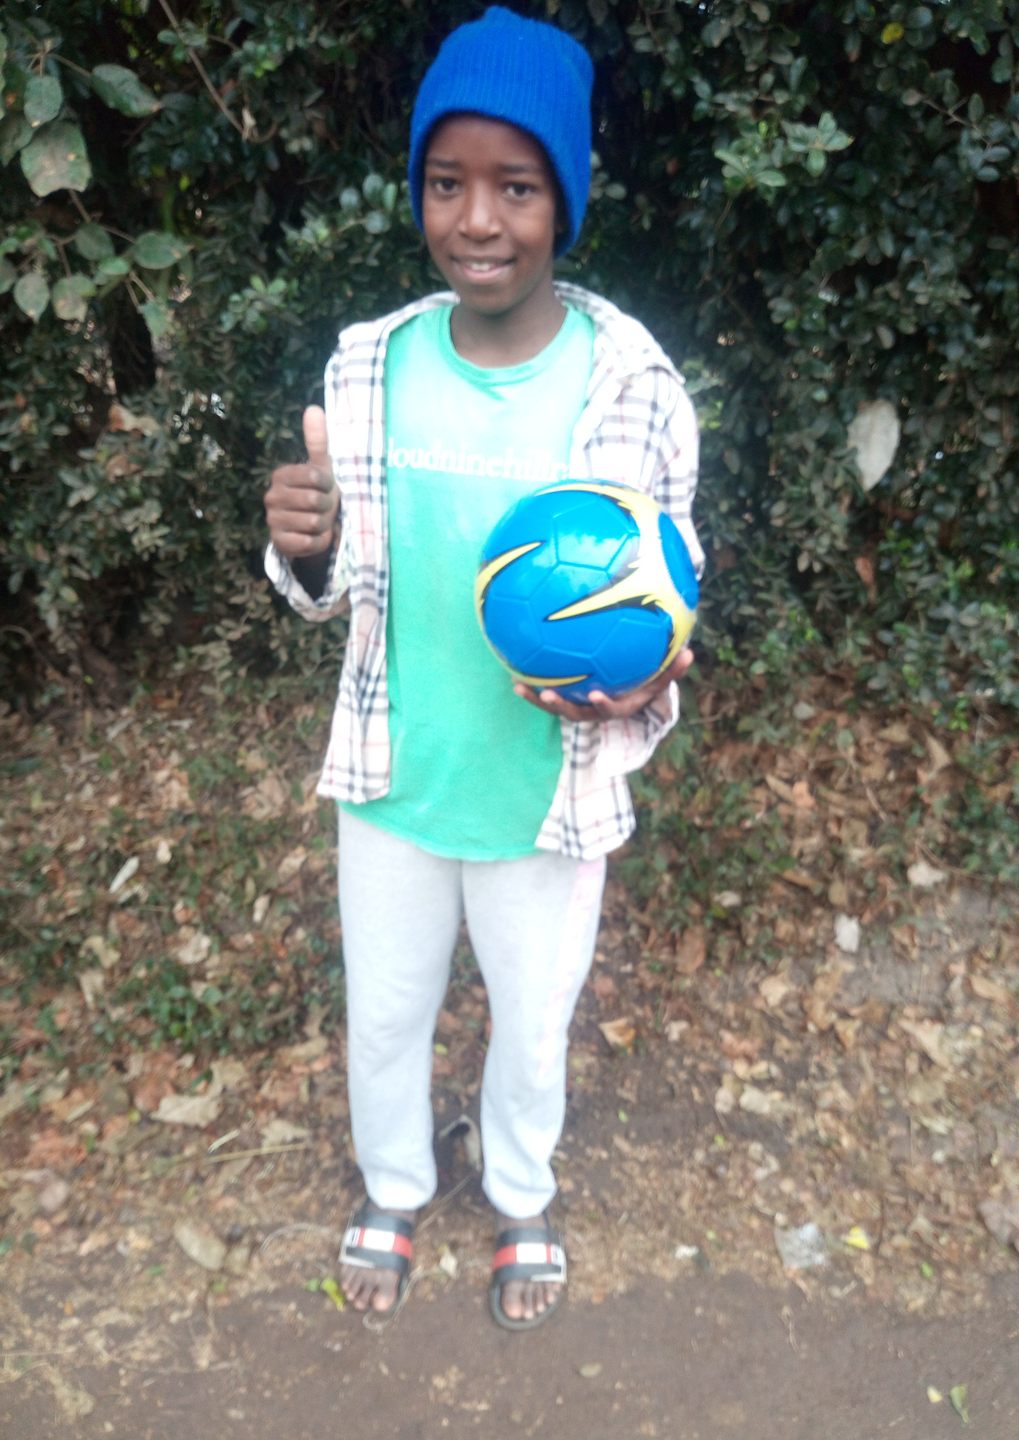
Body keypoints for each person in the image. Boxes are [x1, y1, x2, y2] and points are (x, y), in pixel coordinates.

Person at [263, 5, 703, 1331]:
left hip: (542, 797)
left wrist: (646, 687)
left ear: (563, 198)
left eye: (516, 186)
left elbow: (665, 597)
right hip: (397, 779)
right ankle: (394, 1186)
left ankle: (520, 1195)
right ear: (418, 192)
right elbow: (337, 583)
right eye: (447, 182)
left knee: (532, 1017)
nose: (478, 220)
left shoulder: (632, 385)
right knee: (386, 1010)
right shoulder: (374, 366)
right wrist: (307, 543)